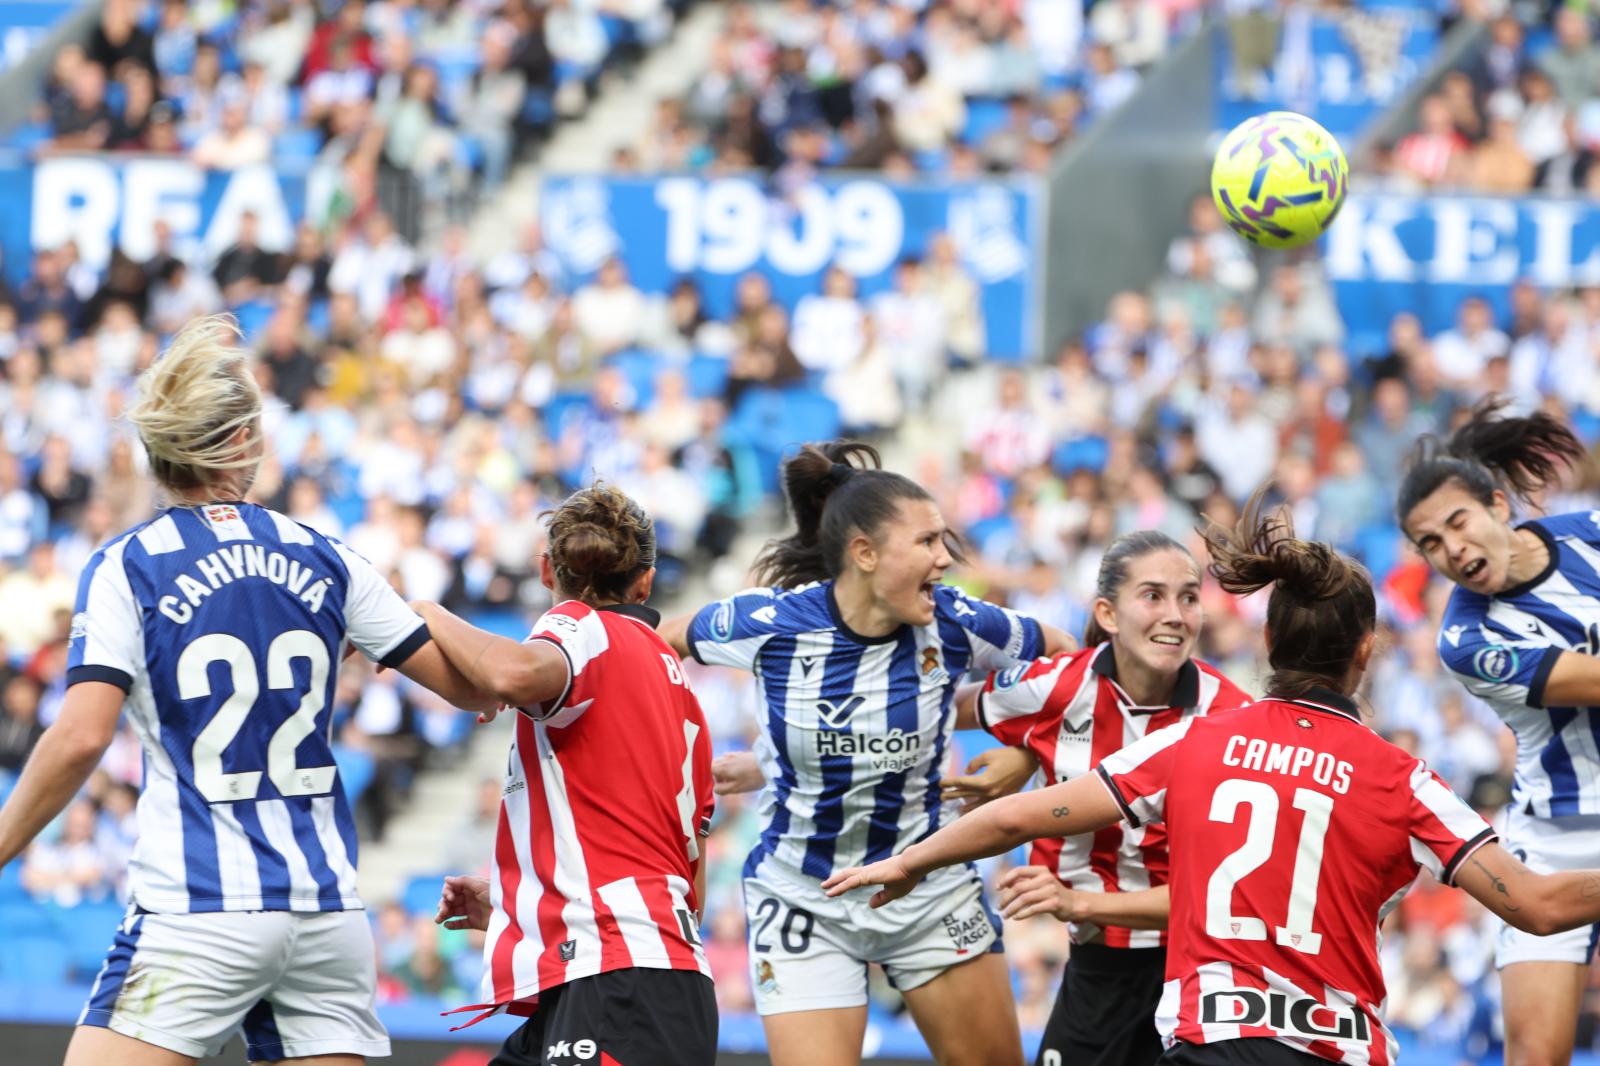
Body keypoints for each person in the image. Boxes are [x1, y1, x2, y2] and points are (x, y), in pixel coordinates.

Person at [823, 489, 1600, 1065]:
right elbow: (1536, 904)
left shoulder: (1197, 741)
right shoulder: (1405, 780)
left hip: (1206, 1033)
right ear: (1367, 651)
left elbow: (1014, 820)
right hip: (1336, 1045)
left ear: (1267, 641)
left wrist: (908, 858)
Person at [0, 315, 494, 1066]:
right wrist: (427, 616)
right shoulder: (325, 553)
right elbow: (470, 692)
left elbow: (81, 736)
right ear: (241, 443)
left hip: (198, 910)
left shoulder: (129, 565)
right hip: (327, 914)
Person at [657, 441, 1075, 1066]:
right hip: (804, 896)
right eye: (928, 542)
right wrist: (741, 758)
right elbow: (653, 645)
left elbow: (1068, 660)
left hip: (927, 891)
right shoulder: (768, 622)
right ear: (865, 553)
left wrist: (1023, 751)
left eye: (945, 541)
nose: (946, 560)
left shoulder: (957, 620)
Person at [422, 482, 718, 1066]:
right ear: (646, 580)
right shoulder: (681, 693)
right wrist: (527, 903)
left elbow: (510, 674)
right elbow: (688, 880)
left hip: (616, 980)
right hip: (649, 975)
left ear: (544, 571)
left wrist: (426, 612)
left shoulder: (585, 627)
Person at [956, 531, 1252, 1066]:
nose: (1176, 614)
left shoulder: (1233, 718)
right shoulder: (1059, 688)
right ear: (1107, 614)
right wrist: (1026, 749)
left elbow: (1220, 896)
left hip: (1203, 973)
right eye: (1153, 595)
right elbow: (937, 711)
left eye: (1189, 596)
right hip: (1096, 970)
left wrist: (1078, 903)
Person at [1396, 401, 1596, 1066]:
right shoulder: (1467, 638)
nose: (1452, 549)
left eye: (1458, 522)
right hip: (1558, 840)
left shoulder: (1590, 535)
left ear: (1499, 506)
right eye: (1431, 543)